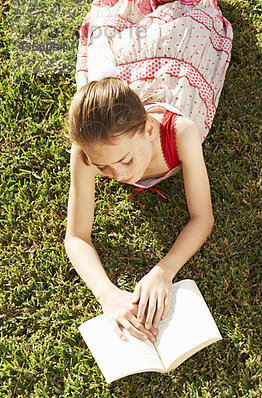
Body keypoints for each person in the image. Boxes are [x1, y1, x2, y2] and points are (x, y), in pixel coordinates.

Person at [64, 0, 232, 343]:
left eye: (126, 160)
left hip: (174, 60)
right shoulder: (86, 151)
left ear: (149, 131)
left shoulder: (179, 131)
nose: (118, 174)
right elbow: (76, 237)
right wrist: (107, 294)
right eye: (103, 167)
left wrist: (163, 271)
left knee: (180, 16)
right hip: (125, 84)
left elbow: (203, 217)